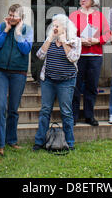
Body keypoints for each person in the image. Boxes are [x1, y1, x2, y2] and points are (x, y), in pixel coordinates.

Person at [33, 14, 81, 151]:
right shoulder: (50, 40)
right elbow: (40, 55)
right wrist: (50, 39)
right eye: (53, 25)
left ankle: (70, 143)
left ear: (64, 27)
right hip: (48, 80)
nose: (54, 28)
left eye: (57, 26)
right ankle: (39, 141)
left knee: (66, 111)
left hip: (66, 81)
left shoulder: (75, 41)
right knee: (45, 110)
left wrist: (64, 41)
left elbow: (73, 58)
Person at [0, 4, 33, 156]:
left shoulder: (27, 30)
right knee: (0, 106)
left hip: (18, 73)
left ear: (21, 17)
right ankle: (0, 144)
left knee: (13, 108)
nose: (11, 18)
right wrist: (6, 30)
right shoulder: (3, 26)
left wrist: (17, 32)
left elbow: (26, 49)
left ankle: (11, 140)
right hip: (0, 72)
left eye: (14, 16)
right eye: (9, 14)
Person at [69, 0, 111, 126]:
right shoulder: (74, 15)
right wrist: (80, 40)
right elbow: (69, 34)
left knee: (92, 86)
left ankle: (89, 115)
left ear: (92, 0)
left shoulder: (99, 16)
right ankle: (73, 115)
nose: (82, 0)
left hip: (95, 55)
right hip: (79, 55)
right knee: (75, 85)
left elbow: (107, 34)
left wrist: (96, 40)